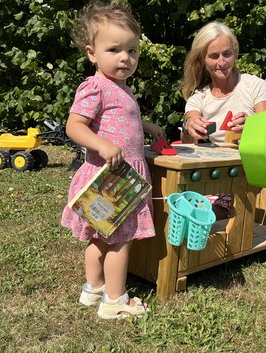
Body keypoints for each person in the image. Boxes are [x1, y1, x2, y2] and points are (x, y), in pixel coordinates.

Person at [61, 0, 163, 319]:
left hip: (117, 178)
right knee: (121, 241)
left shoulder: (120, 87)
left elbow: (120, 119)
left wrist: (145, 125)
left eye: (132, 51)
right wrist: (101, 145)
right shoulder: (95, 86)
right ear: (92, 52)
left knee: (100, 237)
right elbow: (74, 125)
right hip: (112, 180)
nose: (125, 57)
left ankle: (93, 289)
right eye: (115, 49)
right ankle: (115, 301)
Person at [180, 21, 266, 218]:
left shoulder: (254, 85)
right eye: (214, 56)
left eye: (227, 54)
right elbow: (190, 125)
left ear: (235, 52)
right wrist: (190, 126)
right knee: (177, 203)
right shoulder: (200, 95)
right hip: (216, 174)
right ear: (202, 59)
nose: (222, 62)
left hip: (249, 173)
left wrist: (252, 126)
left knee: (196, 212)